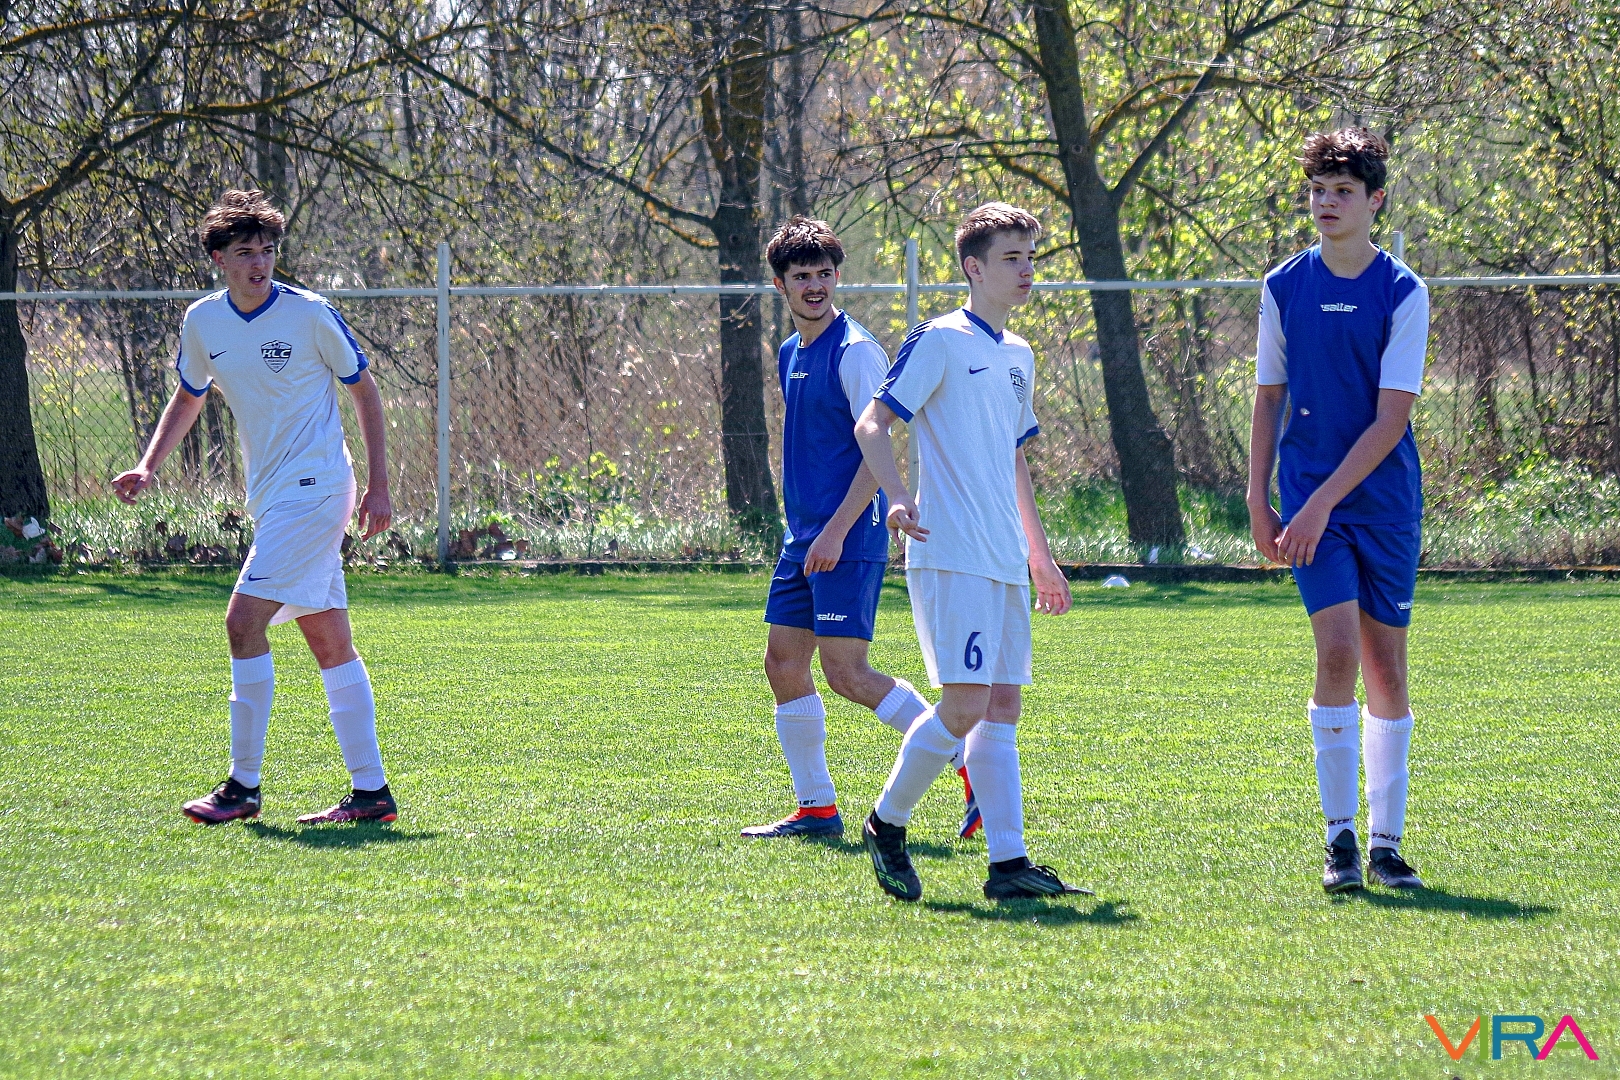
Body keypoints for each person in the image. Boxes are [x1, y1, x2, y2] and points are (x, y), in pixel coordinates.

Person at [112, 189, 399, 826]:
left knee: (242, 622)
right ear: (218, 259)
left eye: (267, 250)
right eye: (245, 252)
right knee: (329, 640)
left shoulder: (309, 314)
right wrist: (149, 465)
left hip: (317, 488)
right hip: (273, 497)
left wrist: (378, 485)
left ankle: (243, 786)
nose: (260, 263)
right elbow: (189, 395)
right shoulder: (204, 322)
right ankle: (372, 792)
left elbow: (365, 392)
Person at [852, 203, 1087, 902]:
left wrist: (1039, 555)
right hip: (950, 551)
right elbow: (872, 423)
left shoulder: (1020, 355)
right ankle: (887, 821)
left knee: (1002, 704)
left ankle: (1008, 864)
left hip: (1002, 556)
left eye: (1031, 257)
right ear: (973, 268)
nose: (1026, 270)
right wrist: (897, 495)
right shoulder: (939, 340)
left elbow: (1014, 460)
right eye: (1011, 258)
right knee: (963, 704)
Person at [744, 216, 977, 839]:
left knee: (847, 673)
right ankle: (817, 808)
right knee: (782, 663)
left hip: (846, 534)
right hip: (805, 537)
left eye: (824, 274)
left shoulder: (855, 351)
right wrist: (811, 532)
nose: (815, 286)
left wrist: (836, 531)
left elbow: (876, 452)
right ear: (780, 285)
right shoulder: (791, 351)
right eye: (802, 276)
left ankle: (968, 763)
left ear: (837, 277)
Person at [1247, 129, 1428, 893]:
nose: (1326, 202)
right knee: (1337, 655)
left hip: (1382, 504)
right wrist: (1258, 497)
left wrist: (1320, 504)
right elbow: (1268, 397)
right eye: (1318, 190)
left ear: (1375, 200)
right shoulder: (1283, 285)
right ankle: (1341, 841)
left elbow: (1391, 421)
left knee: (1386, 666)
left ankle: (1387, 843)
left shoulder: (1403, 291)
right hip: (1308, 502)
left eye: (1343, 191)